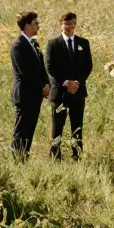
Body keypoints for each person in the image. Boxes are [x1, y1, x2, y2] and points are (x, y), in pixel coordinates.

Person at [44, 11, 92, 158]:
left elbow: (88, 66)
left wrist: (77, 82)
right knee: (57, 126)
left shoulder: (83, 43)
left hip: (78, 92)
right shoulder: (53, 43)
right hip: (60, 93)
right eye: (67, 23)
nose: (70, 26)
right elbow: (50, 66)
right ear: (61, 24)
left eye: (73, 23)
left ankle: (77, 155)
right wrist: (66, 82)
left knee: (77, 126)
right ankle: (55, 156)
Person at [10, 10, 49, 156]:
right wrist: (41, 87)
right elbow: (25, 73)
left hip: (35, 94)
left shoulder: (33, 43)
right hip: (25, 94)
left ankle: (25, 154)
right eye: (35, 23)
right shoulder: (18, 46)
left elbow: (41, 67)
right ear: (27, 25)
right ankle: (18, 157)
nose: (38, 25)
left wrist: (47, 84)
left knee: (30, 128)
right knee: (22, 129)